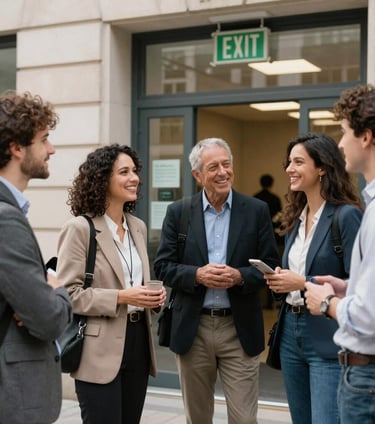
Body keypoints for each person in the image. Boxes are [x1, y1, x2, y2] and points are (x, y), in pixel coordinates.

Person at [154, 137, 280, 424]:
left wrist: (239, 276)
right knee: (197, 418)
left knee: (245, 419)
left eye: (227, 164)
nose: (223, 172)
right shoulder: (179, 212)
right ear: (198, 175)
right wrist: (196, 274)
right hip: (193, 329)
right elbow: (162, 266)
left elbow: (271, 266)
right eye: (213, 167)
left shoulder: (256, 211)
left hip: (239, 328)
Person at [56, 144, 167, 424]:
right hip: (98, 351)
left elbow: (138, 283)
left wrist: (154, 297)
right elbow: (68, 295)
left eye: (135, 171)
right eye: (124, 172)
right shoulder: (80, 228)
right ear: (103, 179)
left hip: (138, 344)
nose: (134, 178)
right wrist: (122, 297)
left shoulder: (138, 227)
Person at [265, 133, 363, 424]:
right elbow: (296, 276)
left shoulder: (346, 216)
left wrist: (301, 281)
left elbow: (358, 282)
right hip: (290, 334)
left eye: (298, 162)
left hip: (327, 332)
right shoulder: (296, 216)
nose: (289, 169)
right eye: (288, 163)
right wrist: (281, 280)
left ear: (321, 167)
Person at [304, 84, 375, 423]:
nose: (341, 143)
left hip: (366, 378)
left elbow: (368, 317)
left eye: (345, 132)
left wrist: (325, 302)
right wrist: (350, 289)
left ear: (367, 137)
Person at [0, 91, 72, 424]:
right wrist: (56, 289)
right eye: (44, 139)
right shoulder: (6, 219)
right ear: (16, 148)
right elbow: (48, 319)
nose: (52, 149)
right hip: (15, 401)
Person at [254, 173, 283, 308]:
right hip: (274, 237)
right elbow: (279, 217)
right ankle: (271, 301)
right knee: (272, 268)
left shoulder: (255, 199)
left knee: (258, 269)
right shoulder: (275, 199)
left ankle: (260, 301)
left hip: (257, 238)